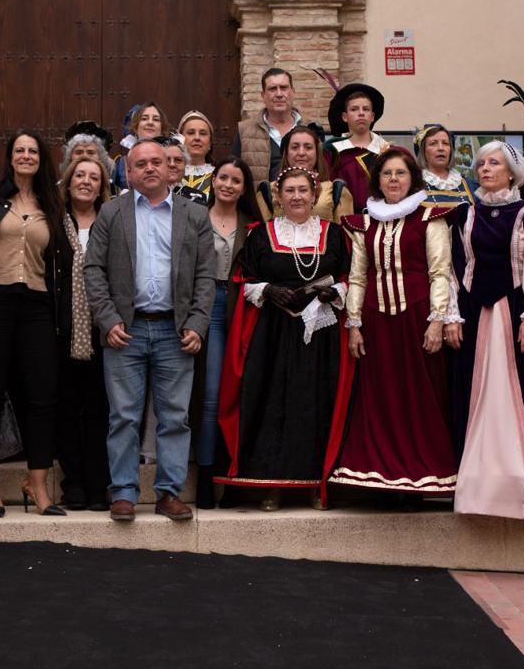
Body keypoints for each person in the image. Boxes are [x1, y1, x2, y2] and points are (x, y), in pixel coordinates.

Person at [83, 139, 217, 522]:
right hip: (126, 330)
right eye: (141, 164)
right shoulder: (112, 212)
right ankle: (124, 492)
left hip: (176, 331)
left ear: (170, 167)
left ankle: (168, 493)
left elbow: (206, 274)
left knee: (175, 417)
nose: (150, 169)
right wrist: (107, 318)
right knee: (123, 416)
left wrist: (197, 323)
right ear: (128, 170)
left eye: (156, 162)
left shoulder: (193, 215)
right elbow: (94, 269)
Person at [216, 166, 353, 510]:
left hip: (320, 335)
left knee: (316, 403)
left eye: (303, 190)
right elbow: (240, 280)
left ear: (314, 195)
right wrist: (267, 289)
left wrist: (333, 292)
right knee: (272, 403)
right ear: (278, 197)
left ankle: (313, 484)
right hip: (272, 335)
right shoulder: (260, 235)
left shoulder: (335, 235)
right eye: (289, 191)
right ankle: (271, 485)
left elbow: (352, 276)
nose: (296, 197)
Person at [329, 149, 458, 508]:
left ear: (412, 178)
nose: (394, 180)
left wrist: (437, 319)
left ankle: (426, 473)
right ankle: (376, 473)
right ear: (378, 180)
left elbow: (440, 273)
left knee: (419, 395)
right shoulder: (364, 223)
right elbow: (357, 277)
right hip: (376, 320)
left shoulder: (431, 218)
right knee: (380, 395)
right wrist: (353, 324)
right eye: (387, 174)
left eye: (400, 173)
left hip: (417, 318)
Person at [443, 141, 524, 521]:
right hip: (475, 316)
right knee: (475, 399)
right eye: (480, 164)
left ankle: (519, 492)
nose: (485, 168)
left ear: (512, 172)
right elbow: (450, 271)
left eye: (493, 163)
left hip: (516, 314)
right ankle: (476, 493)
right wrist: (451, 316)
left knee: (518, 402)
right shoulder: (463, 215)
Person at [0, 130, 68, 517]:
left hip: (38, 304)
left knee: (41, 396)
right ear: (10, 156)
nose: (25, 156)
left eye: (32, 151)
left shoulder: (52, 204)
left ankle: (37, 483)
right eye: (19, 150)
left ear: (41, 159)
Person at [195, 157, 262, 508]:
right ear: (213, 180)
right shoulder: (195, 218)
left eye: (236, 180)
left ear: (243, 187)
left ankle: (235, 474)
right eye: (223, 178)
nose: (228, 185)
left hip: (243, 309)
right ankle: (206, 477)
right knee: (210, 397)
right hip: (207, 310)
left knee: (239, 394)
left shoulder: (253, 224)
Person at [53, 156, 114, 511]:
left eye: (94, 177)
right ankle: (72, 483)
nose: (86, 182)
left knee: (99, 409)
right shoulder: (55, 222)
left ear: (102, 186)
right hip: (63, 327)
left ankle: (98, 484)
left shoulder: (112, 221)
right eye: (80, 175)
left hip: (103, 329)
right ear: (68, 180)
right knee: (66, 407)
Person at [256, 125, 354, 223]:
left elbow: (344, 235)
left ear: (317, 153)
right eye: (295, 147)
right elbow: (263, 234)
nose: (301, 153)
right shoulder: (268, 191)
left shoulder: (336, 191)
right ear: (286, 153)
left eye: (308, 147)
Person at [325, 83, 391, 212]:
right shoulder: (331, 152)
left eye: (366, 109)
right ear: (345, 117)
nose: (361, 113)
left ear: (372, 116)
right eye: (354, 109)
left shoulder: (389, 152)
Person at [232, 67, 302, 184]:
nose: (279, 94)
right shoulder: (245, 131)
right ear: (263, 95)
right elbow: (234, 175)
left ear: (293, 92)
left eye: (284, 88)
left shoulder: (310, 129)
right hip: (258, 202)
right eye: (272, 89)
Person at [415, 124, 474, 212]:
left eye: (445, 143)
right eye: (433, 143)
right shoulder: (414, 184)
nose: (441, 148)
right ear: (423, 151)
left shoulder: (470, 185)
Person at [112, 102, 168, 191]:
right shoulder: (122, 164)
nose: (150, 122)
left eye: (156, 119)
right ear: (135, 127)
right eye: (144, 118)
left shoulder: (171, 159)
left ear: (162, 127)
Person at [176, 110, 216, 204]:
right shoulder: (168, 173)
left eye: (202, 133)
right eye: (191, 133)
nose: (197, 138)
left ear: (210, 143)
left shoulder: (218, 177)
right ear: (180, 140)